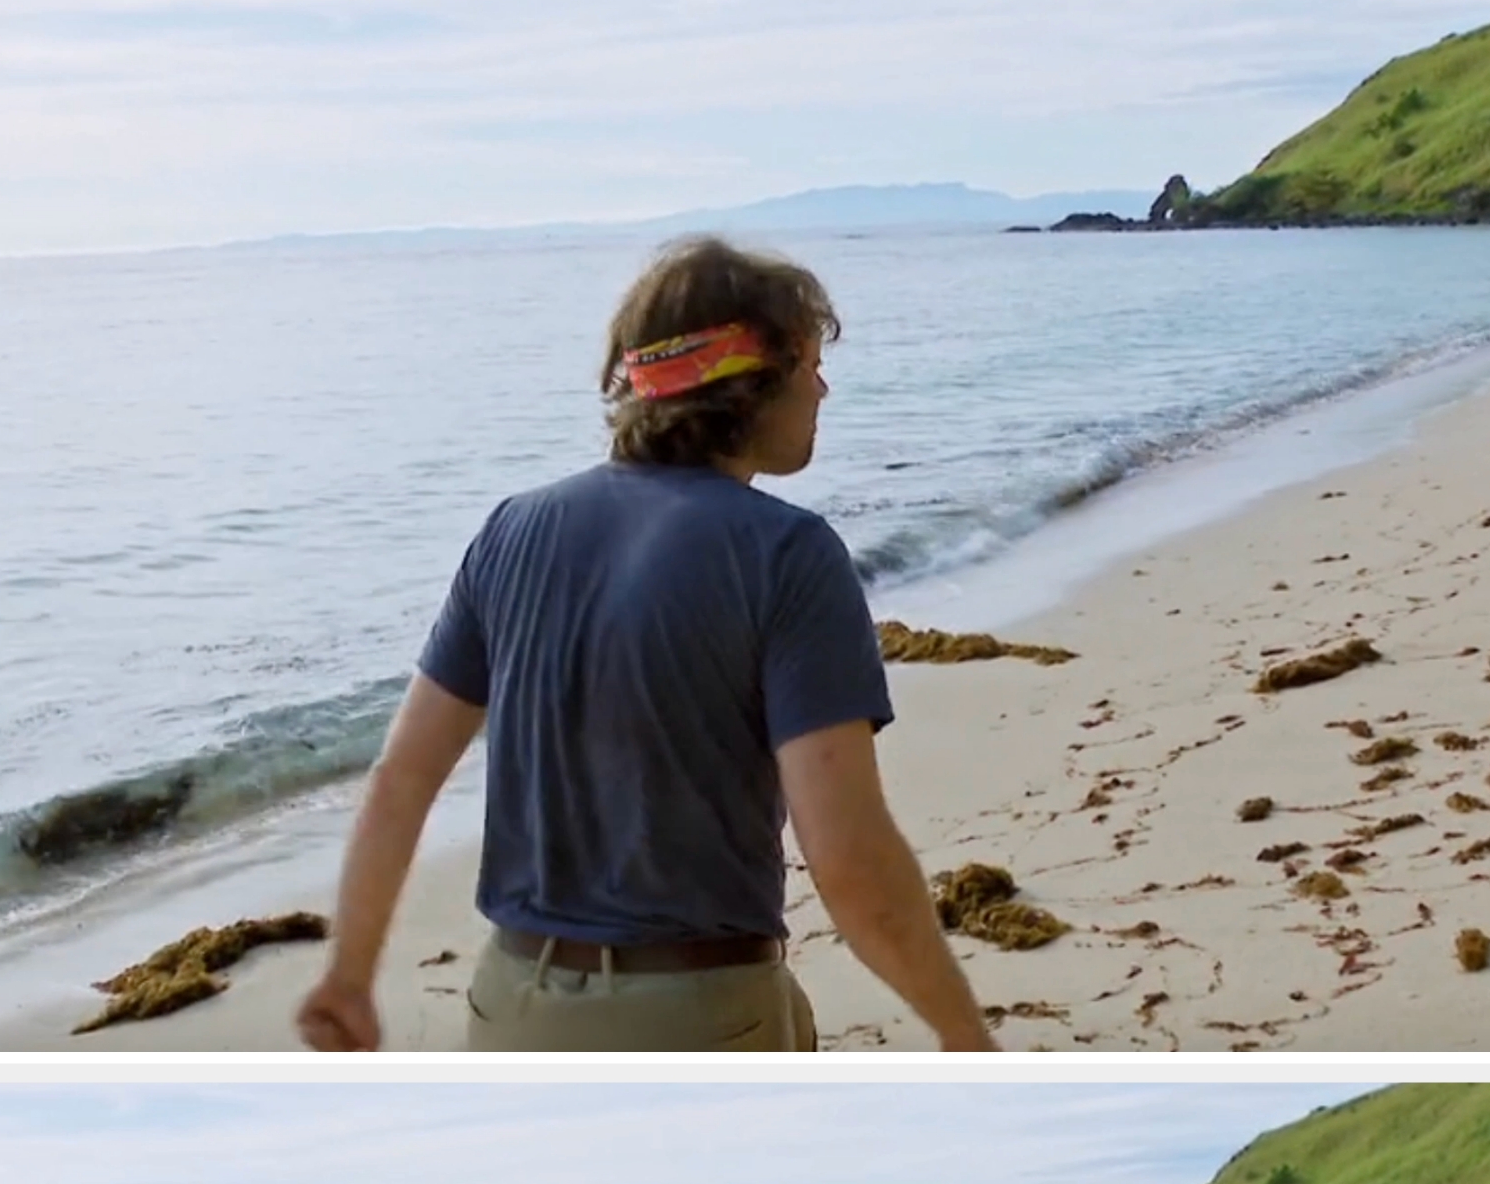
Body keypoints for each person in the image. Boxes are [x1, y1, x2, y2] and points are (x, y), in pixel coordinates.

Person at [294, 235, 994, 1055]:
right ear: (753, 376)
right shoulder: (788, 555)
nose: (824, 387)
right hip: (697, 1013)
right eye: (809, 362)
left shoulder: (511, 530)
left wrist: (349, 975)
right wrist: (963, 1036)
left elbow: (402, 779)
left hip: (512, 1004)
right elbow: (848, 860)